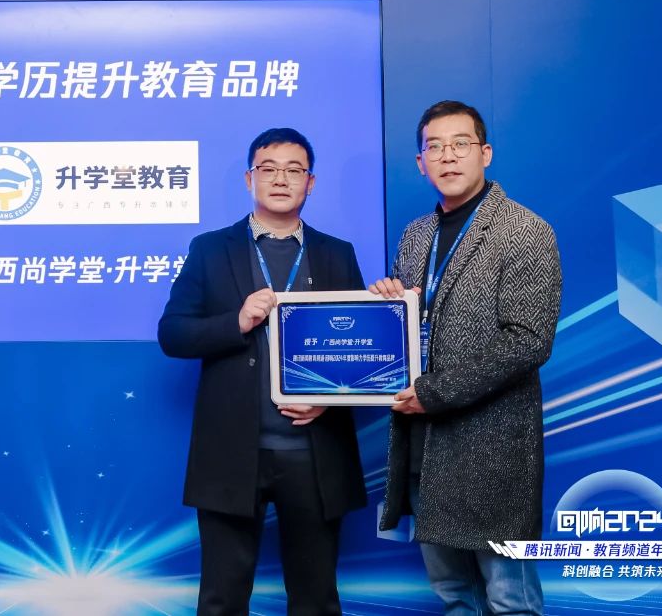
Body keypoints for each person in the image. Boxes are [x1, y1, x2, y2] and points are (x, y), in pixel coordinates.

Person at [159, 127, 367, 616]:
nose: (280, 179)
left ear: (310, 182)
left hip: (315, 454)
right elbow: (173, 334)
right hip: (232, 453)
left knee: (316, 600)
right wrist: (236, 321)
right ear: (249, 178)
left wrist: (330, 399)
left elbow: (357, 352)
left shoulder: (337, 253)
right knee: (221, 600)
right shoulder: (210, 249)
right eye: (268, 169)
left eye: (294, 170)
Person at [369, 100, 561, 615]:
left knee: (510, 599)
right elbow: (416, 324)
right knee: (453, 595)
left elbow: (527, 341)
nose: (448, 156)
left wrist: (433, 393)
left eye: (461, 144)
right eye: (434, 147)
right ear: (420, 163)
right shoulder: (416, 236)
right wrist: (390, 308)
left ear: (486, 153)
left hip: (491, 448)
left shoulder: (525, 230)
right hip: (424, 445)